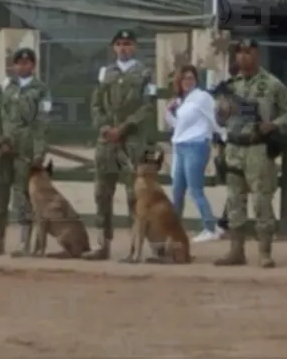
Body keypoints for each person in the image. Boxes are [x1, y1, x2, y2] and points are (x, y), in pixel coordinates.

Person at [213, 38, 287, 269]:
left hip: (258, 147)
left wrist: (274, 125)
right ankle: (236, 250)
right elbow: (219, 118)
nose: (243, 57)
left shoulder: (272, 84)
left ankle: (264, 252)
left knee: (262, 201)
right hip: (234, 147)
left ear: (257, 54)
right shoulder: (230, 86)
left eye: (248, 52)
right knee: (234, 201)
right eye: (239, 53)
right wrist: (222, 112)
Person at [83, 29, 155, 261]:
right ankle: (102, 245)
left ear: (135, 47)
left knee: (134, 196)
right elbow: (95, 105)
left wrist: (124, 128)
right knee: (102, 193)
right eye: (119, 44)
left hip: (131, 141)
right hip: (107, 142)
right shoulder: (106, 73)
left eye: (128, 43)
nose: (124, 48)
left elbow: (147, 106)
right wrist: (105, 128)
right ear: (114, 47)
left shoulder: (145, 73)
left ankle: (136, 248)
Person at [0, 47, 50, 257]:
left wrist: (39, 152)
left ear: (33, 65)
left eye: (27, 63)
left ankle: (23, 242)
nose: (22, 66)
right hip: (3, 149)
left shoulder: (41, 90)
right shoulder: (5, 87)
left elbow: (42, 123)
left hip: (25, 150)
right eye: (19, 63)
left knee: (22, 195)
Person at [165, 63, 221, 243]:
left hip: (196, 145)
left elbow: (215, 118)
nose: (187, 81)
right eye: (184, 78)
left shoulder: (202, 97)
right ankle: (174, 228)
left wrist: (224, 136)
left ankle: (210, 227)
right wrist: (169, 110)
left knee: (195, 189)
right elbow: (177, 125)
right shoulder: (182, 101)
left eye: (191, 78)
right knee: (177, 190)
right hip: (181, 145)